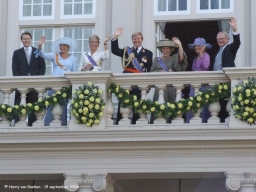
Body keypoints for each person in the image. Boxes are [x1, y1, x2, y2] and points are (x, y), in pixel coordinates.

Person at [111, 27, 153, 124]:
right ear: (132, 40)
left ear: (142, 39)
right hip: (126, 81)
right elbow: (115, 51)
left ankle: (136, 126)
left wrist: (149, 85)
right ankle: (119, 125)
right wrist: (116, 37)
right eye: (134, 38)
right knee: (123, 103)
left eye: (138, 38)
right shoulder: (127, 50)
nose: (136, 40)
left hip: (139, 82)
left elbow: (149, 69)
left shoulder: (148, 53)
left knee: (137, 106)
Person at [37, 36, 77, 126]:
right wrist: (40, 46)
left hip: (65, 85)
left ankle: (62, 125)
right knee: (52, 104)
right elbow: (43, 54)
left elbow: (74, 73)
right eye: (61, 46)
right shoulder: (55, 56)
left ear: (68, 47)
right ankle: (48, 124)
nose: (62, 47)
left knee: (63, 104)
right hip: (54, 83)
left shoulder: (73, 58)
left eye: (64, 46)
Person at [12, 31, 46, 126]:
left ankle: (33, 126)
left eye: (28, 38)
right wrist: (19, 81)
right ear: (22, 40)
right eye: (24, 39)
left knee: (34, 108)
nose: (26, 40)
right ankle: (17, 125)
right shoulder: (17, 53)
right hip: (21, 85)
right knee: (19, 107)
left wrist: (37, 79)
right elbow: (15, 69)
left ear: (31, 39)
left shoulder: (37, 51)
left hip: (34, 85)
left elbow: (42, 67)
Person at [150, 38, 187, 123]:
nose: (165, 50)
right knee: (159, 107)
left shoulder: (174, 58)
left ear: (170, 50)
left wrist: (180, 46)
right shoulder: (156, 59)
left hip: (171, 88)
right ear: (161, 49)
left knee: (171, 107)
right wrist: (159, 71)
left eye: (167, 48)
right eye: (163, 48)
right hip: (159, 88)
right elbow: (151, 72)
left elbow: (181, 59)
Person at [213, 17, 241, 122]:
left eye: (222, 38)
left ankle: (225, 120)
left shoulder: (229, 48)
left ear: (227, 39)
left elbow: (237, 43)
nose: (220, 40)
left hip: (226, 80)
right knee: (218, 103)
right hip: (217, 81)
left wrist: (234, 29)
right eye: (218, 39)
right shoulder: (218, 51)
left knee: (225, 102)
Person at [186, 37, 212, 123]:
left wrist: (202, 54)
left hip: (203, 88)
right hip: (194, 87)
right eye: (196, 46)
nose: (197, 47)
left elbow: (206, 66)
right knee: (193, 108)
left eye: (199, 46)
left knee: (202, 109)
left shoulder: (206, 55)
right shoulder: (194, 59)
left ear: (204, 47)